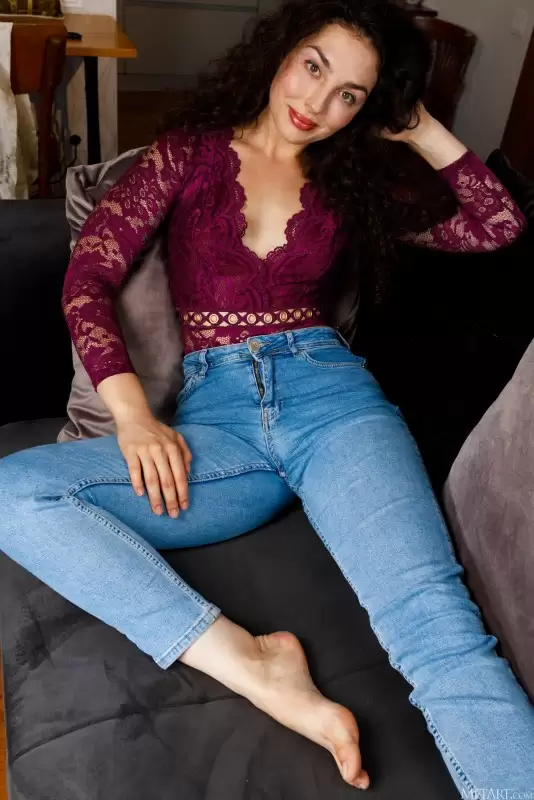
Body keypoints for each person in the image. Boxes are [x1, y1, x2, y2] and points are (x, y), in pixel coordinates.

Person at [0, 0, 533, 794]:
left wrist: (417, 125)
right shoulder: (187, 155)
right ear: (282, 51)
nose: (317, 103)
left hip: (336, 408)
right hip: (222, 432)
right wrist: (134, 415)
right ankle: (254, 664)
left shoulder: (353, 182)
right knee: (14, 493)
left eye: (350, 94)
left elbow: (496, 224)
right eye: (314, 66)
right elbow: (89, 277)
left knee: (439, 631)